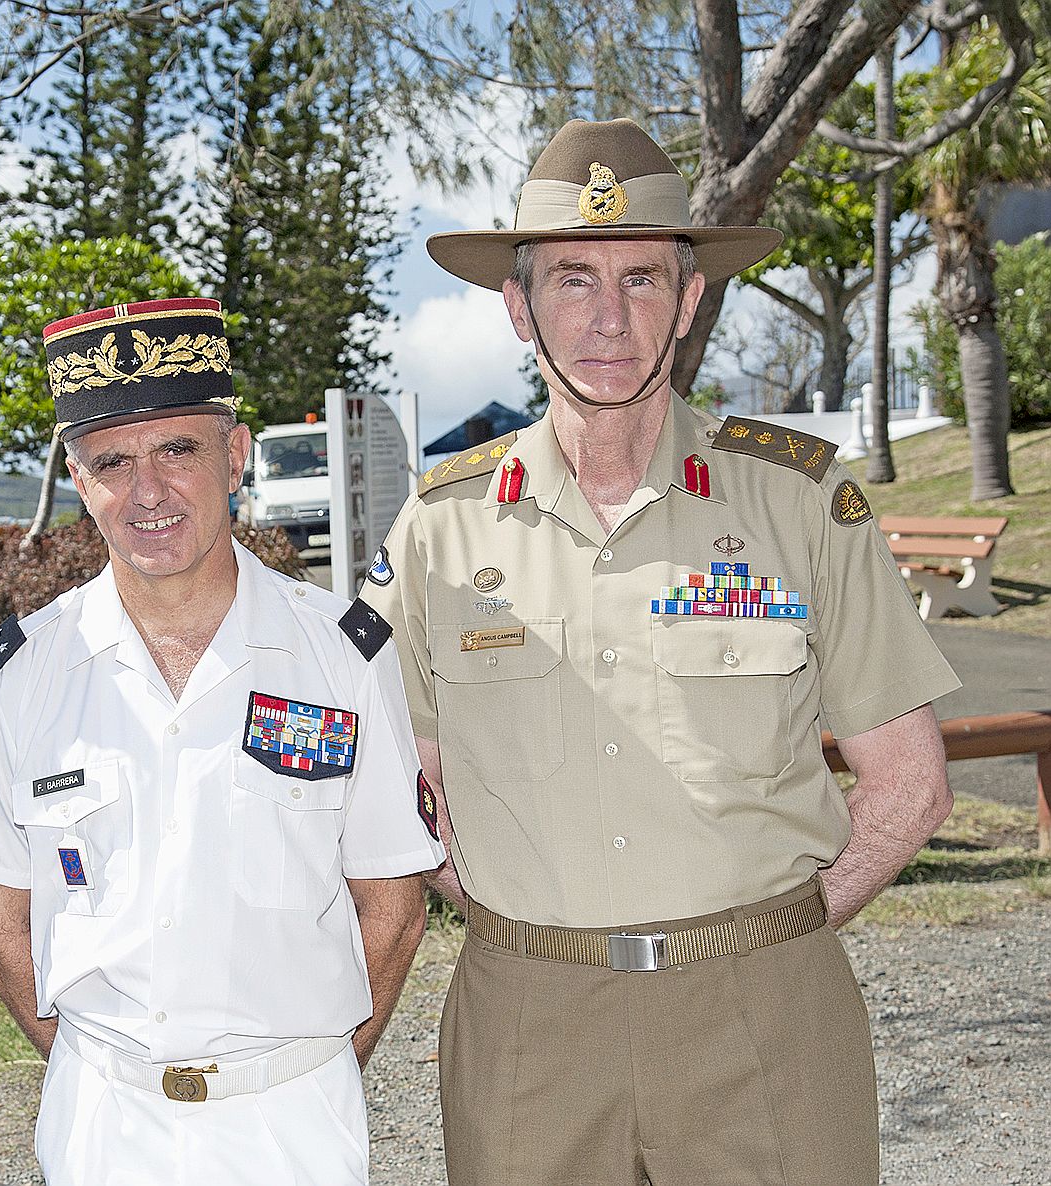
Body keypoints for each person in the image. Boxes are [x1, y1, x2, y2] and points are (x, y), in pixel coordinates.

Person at [365, 119, 962, 1186]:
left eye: (642, 280)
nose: (608, 318)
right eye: (572, 279)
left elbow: (909, 783)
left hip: (763, 1008)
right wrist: (527, 922)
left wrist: (771, 933)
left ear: (690, 302)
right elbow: (412, 793)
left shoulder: (799, 500)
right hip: (529, 1020)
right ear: (518, 307)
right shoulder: (440, 529)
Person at [0, 297, 445, 1185]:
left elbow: (392, 912)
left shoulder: (339, 656)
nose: (147, 490)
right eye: (112, 462)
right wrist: (102, 1073)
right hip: (104, 1124)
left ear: (235, 456)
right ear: (79, 483)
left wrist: (299, 1077)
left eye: (178, 449)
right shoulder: (21, 676)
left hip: (293, 1125)